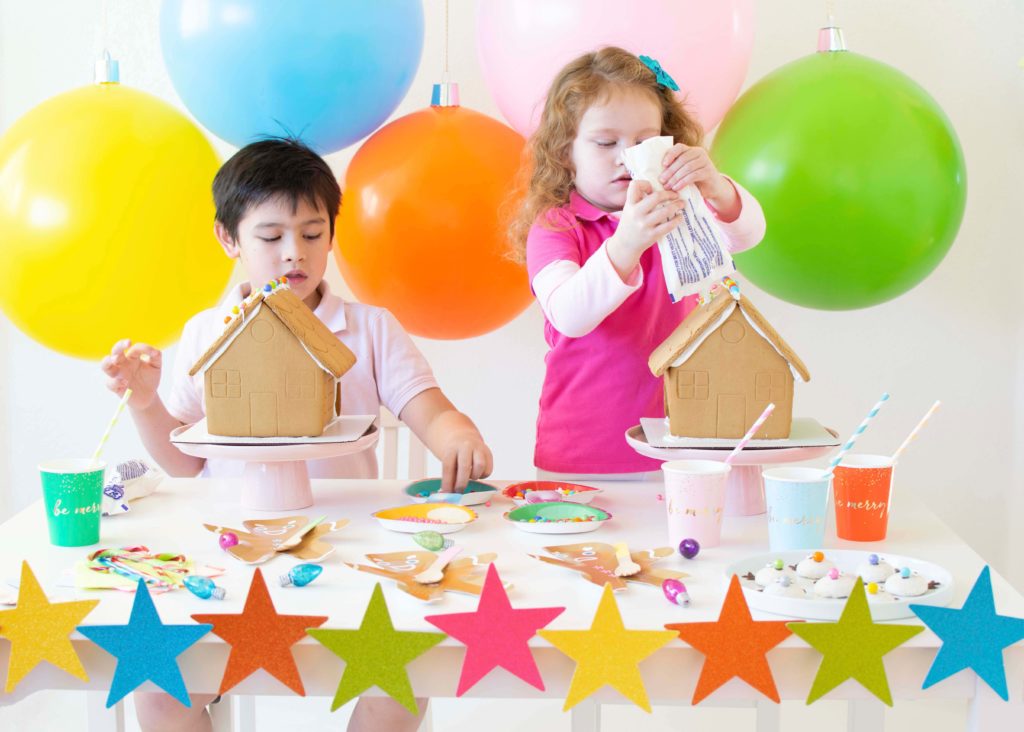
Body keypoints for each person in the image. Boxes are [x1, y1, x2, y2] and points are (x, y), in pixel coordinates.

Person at [101, 137, 491, 732]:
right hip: (231, 558)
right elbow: (184, 463)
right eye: (271, 236)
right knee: (157, 682)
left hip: (351, 559)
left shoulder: (368, 328)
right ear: (228, 238)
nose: (294, 253)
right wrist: (147, 400)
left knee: (403, 675)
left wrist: (455, 432)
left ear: (332, 234)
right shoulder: (209, 331)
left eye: (313, 233)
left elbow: (429, 410)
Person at [509, 47, 766, 479]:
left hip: (679, 445)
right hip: (583, 453)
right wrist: (627, 241)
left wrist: (716, 188)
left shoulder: (677, 211)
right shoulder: (557, 226)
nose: (627, 156)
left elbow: (747, 235)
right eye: (606, 142)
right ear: (564, 152)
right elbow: (570, 314)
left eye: (645, 142)